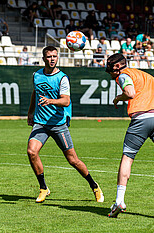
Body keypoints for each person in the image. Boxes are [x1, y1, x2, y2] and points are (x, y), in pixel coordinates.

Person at [105, 53, 154, 218]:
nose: (110, 73)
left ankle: (119, 200)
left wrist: (118, 98)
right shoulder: (147, 76)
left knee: (127, 158)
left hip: (141, 118)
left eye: (110, 70)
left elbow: (130, 93)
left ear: (118, 67)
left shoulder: (124, 75)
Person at [27, 46, 104, 203]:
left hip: (58, 124)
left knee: (73, 160)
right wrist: (30, 112)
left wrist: (51, 101)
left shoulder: (62, 78)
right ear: (43, 59)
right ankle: (43, 188)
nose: (52, 59)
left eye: (55, 56)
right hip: (41, 123)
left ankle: (94, 185)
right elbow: (35, 92)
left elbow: (66, 100)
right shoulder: (37, 75)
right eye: (49, 56)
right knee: (31, 152)